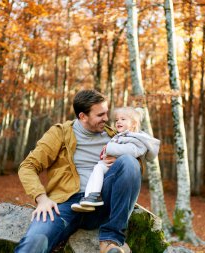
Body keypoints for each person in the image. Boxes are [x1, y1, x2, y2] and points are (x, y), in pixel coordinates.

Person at [15, 89, 143, 253]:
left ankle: (111, 239)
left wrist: (121, 159)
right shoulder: (60, 133)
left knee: (129, 161)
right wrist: (41, 198)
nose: (106, 118)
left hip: (101, 203)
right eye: (100, 115)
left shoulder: (115, 136)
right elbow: (28, 166)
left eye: (106, 113)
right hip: (65, 205)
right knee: (33, 243)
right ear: (83, 116)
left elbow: (134, 170)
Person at [71, 107, 160, 212]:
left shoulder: (137, 138)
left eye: (123, 119)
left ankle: (94, 197)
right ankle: (91, 197)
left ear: (134, 124)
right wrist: (104, 155)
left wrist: (108, 148)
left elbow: (133, 151)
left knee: (99, 168)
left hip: (120, 170)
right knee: (98, 168)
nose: (118, 122)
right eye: (117, 120)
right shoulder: (119, 136)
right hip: (109, 165)